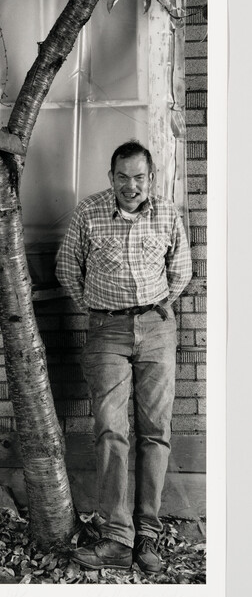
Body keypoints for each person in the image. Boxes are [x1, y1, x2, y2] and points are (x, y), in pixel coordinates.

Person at [56, 140, 192, 574]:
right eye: (122, 177)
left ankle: (147, 535)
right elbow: (66, 268)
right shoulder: (89, 212)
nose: (130, 185)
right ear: (110, 177)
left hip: (157, 327)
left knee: (156, 430)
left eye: (139, 177)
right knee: (111, 431)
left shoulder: (167, 213)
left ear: (150, 178)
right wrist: (98, 311)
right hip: (106, 330)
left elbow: (182, 268)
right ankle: (117, 538)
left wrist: (162, 307)